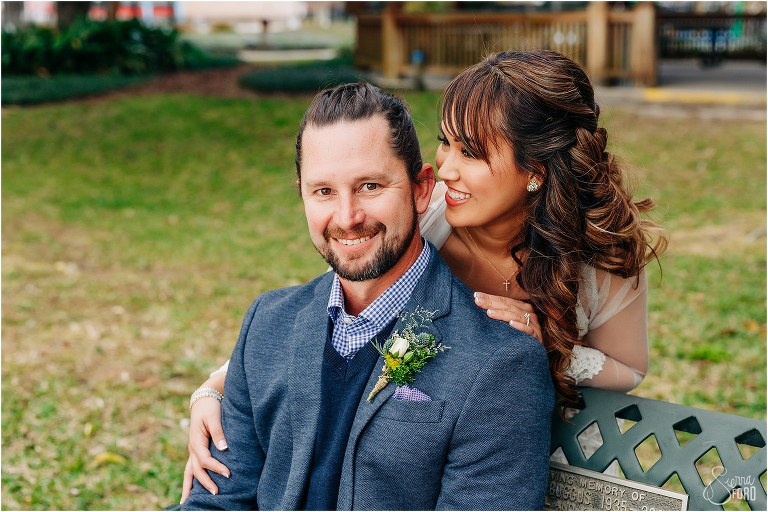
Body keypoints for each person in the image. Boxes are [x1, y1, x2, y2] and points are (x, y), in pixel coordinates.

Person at [181, 50, 667, 502]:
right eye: (446, 142)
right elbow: (336, 321)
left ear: (534, 169)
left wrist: (552, 345)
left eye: (472, 152)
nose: (448, 169)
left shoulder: (599, 256)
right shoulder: (430, 215)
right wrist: (215, 390)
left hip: (511, 436)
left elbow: (629, 369)